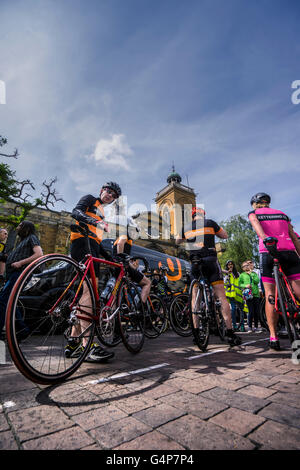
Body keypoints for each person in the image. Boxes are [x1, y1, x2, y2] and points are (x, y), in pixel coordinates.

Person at [67, 182, 121, 362]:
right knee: (90, 293)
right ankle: (87, 346)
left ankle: (73, 342)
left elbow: (97, 240)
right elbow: (76, 212)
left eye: (113, 195)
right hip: (81, 244)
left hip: (92, 247)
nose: (110, 195)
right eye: (108, 191)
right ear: (101, 191)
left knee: (85, 294)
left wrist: (110, 258)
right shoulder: (90, 199)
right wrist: (95, 221)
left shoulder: (103, 212)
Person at [176, 207, 241, 346]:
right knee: (222, 297)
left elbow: (177, 241)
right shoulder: (210, 222)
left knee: (195, 298)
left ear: (192, 216)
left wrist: (186, 238)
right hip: (210, 260)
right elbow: (225, 235)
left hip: (195, 262)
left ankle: (196, 333)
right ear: (203, 215)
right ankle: (230, 333)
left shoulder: (186, 227)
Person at [248, 192, 300, 350]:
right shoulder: (283, 215)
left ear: (255, 204)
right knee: (298, 289)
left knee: (271, 294)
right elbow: (294, 237)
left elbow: (256, 225)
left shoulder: (254, 213)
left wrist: (264, 238)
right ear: (267, 203)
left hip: (268, 251)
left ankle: (273, 337)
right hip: (289, 252)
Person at [0, 221, 43, 340]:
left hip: (20, 273)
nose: (17, 227)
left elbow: (39, 254)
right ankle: (23, 329)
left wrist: (20, 263)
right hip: (13, 274)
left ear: (26, 228)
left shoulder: (32, 237)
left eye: (20, 226)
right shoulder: (21, 241)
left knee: (3, 299)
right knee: (10, 300)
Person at [113, 217, 151, 306]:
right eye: (135, 231)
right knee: (147, 282)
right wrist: (121, 258)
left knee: (117, 291)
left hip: (117, 266)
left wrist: (131, 265)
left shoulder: (125, 238)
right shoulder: (124, 236)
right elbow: (120, 243)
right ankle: (140, 307)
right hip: (122, 266)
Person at [239, 260, 262, 332]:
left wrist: (251, 273)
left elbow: (257, 281)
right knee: (250, 311)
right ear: (243, 268)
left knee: (256, 311)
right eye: (245, 266)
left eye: (248, 265)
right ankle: (249, 327)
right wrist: (245, 285)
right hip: (248, 294)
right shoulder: (242, 275)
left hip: (256, 294)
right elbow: (239, 284)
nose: (247, 267)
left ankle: (256, 327)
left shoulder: (254, 273)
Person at [223, 260, 244, 331]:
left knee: (241, 310)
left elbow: (241, 283)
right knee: (233, 309)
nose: (230, 266)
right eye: (228, 265)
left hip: (238, 294)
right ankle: (234, 326)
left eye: (231, 264)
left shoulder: (237, 274)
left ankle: (242, 327)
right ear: (227, 266)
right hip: (231, 295)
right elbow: (225, 284)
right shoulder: (226, 275)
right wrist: (228, 274)